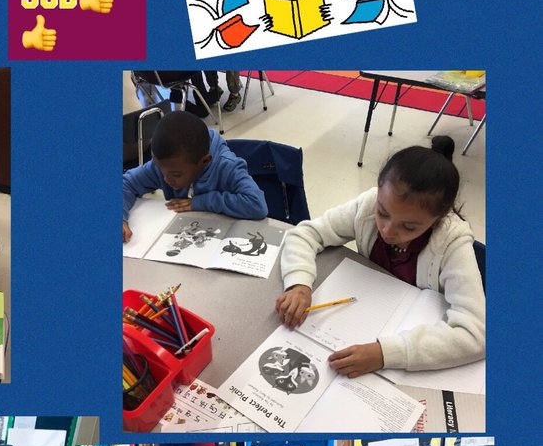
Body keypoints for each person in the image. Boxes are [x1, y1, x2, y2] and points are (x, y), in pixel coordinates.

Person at [275, 136, 485, 376]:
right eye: (382, 212)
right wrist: (299, 283)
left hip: (410, 340)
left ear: (439, 218)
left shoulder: (451, 242)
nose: (387, 230)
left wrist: (386, 354)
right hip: (365, 318)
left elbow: (476, 332)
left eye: (409, 227)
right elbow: (305, 233)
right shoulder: (366, 207)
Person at [123, 111, 267, 243]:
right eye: (160, 169)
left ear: (204, 161)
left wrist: (200, 202)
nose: (166, 179)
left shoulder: (227, 167)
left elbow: (257, 205)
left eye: (176, 175)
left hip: (220, 239)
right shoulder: (166, 165)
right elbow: (126, 183)